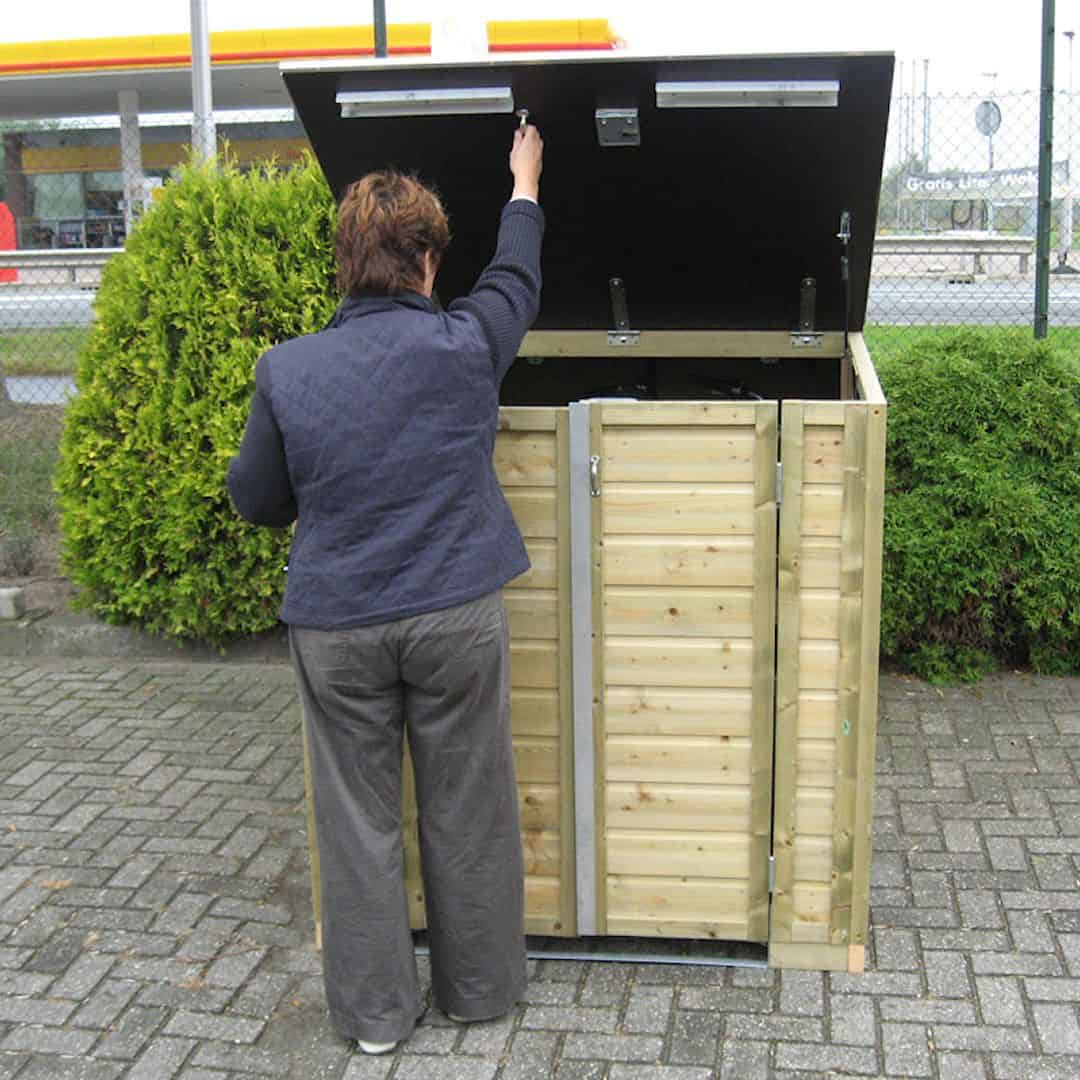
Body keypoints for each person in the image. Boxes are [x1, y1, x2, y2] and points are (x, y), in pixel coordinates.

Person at [226, 125, 544, 1054]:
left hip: (338, 626)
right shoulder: (466, 343)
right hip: (456, 616)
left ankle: (373, 1024)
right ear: (430, 260)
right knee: (468, 805)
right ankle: (479, 995)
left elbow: (256, 500)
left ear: (345, 264)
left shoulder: (287, 370)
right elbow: (516, 282)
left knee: (358, 825)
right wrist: (523, 183)